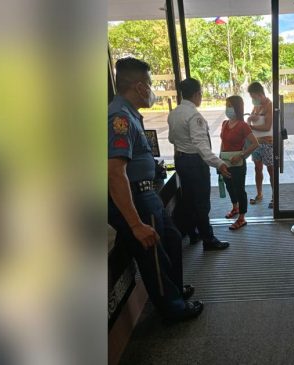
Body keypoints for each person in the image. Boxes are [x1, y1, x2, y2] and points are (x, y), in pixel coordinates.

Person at [108, 57, 202, 321]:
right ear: (139, 87)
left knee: (171, 240)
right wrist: (136, 225)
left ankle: (173, 290)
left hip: (148, 193)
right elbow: (114, 173)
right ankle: (172, 308)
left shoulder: (128, 114)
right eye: (149, 84)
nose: (151, 90)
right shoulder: (119, 117)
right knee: (154, 257)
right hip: (137, 197)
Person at [168, 78, 231, 250]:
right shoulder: (194, 116)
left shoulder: (174, 113)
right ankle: (208, 240)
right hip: (194, 162)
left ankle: (193, 233)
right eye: (201, 93)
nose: (201, 96)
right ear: (196, 94)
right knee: (202, 203)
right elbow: (201, 145)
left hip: (180, 160)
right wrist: (218, 163)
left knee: (188, 198)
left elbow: (171, 138)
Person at [220, 95, 259, 230]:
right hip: (225, 162)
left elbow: (255, 144)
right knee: (229, 187)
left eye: (230, 106)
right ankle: (235, 208)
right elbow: (223, 143)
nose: (227, 109)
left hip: (238, 164)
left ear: (237, 107)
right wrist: (220, 160)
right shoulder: (225, 123)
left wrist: (241, 156)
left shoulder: (243, 125)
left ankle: (242, 218)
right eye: (226, 106)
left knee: (239, 189)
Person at [247, 82, 275, 209]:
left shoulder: (270, 105)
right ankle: (259, 194)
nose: (253, 100)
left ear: (260, 94)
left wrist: (251, 126)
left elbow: (267, 126)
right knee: (257, 169)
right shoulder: (256, 106)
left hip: (268, 143)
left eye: (253, 97)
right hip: (256, 143)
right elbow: (253, 118)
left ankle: (275, 197)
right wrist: (251, 118)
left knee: (271, 170)